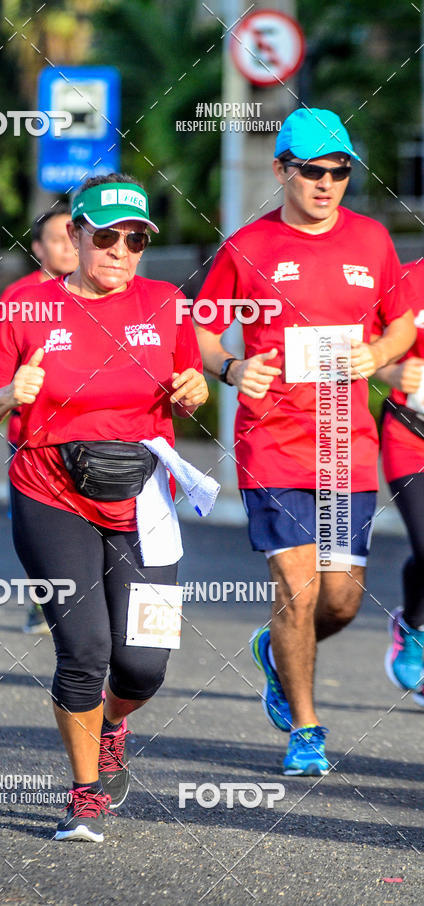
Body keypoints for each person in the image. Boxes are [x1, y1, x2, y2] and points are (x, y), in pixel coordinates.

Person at [0, 173, 208, 841]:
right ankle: (84, 793)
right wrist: (11, 392)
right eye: (106, 237)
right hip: (50, 493)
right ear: (73, 236)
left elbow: (190, 389)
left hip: (144, 500)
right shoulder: (26, 306)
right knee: (86, 647)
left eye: (135, 240)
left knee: (144, 663)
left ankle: (112, 723)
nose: (121, 252)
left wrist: (195, 391)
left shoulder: (165, 304)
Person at [195, 108, 415, 775]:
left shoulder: (373, 241)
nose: (326, 184)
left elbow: (403, 324)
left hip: (345, 446)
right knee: (297, 587)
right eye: (312, 171)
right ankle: (307, 730)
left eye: (339, 172)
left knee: (340, 599)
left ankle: (275, 651)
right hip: (274, 443)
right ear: (282, 170)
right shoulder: (249, 247)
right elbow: (200, 331)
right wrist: (233, 367)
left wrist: (376, 350)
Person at [0, 204, 78, 634]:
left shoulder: (103, 293)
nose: (68, 245)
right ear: (37, 248)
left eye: (73, 234)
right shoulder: (18, 298)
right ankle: (41, 599)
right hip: (31, 438)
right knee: (37, 528)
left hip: (93, 439)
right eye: (56, 238)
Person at [375, 260, 424, 699]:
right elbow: (362, 346)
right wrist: (389, 371)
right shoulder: (405, 279)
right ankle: (413, 624)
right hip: (411, 434)